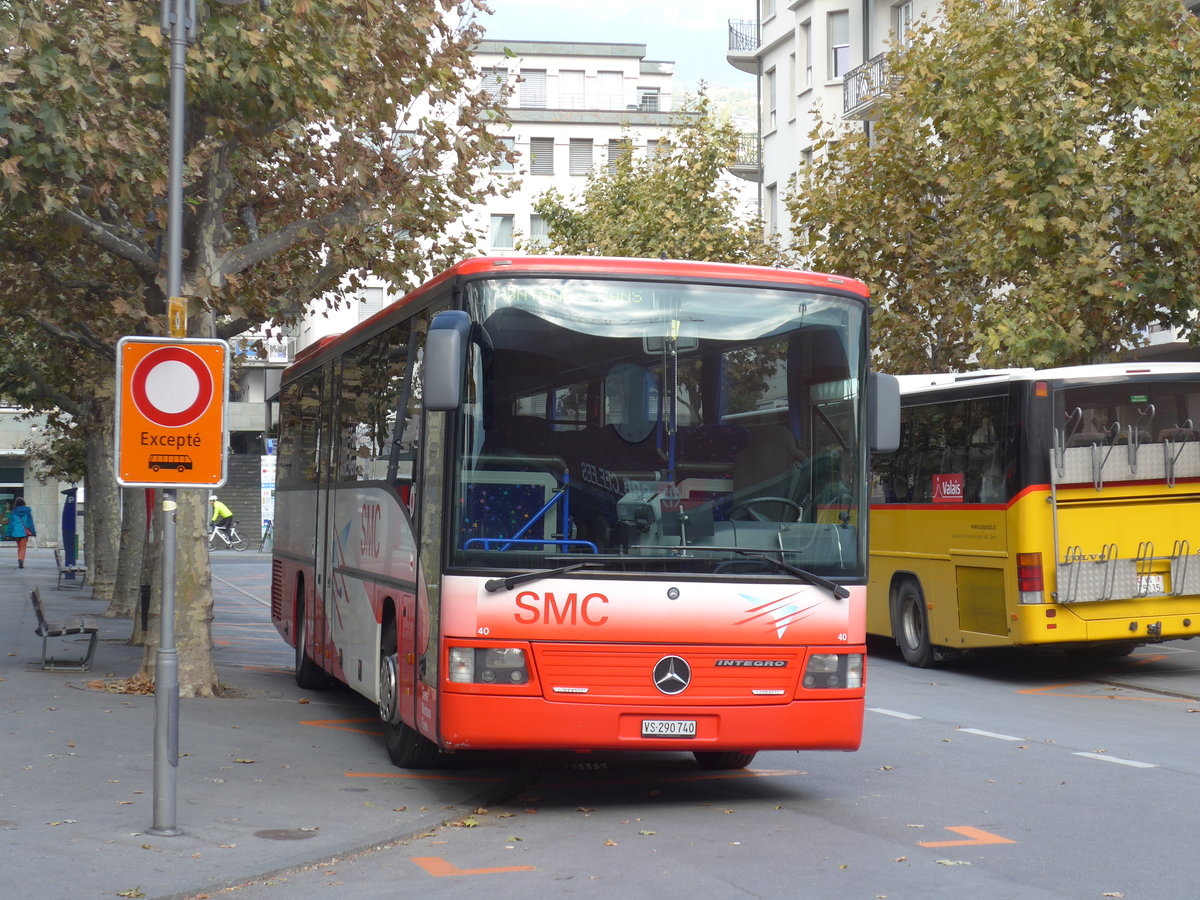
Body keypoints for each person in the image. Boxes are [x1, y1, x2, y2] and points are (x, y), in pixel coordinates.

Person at [6, 496, 37, 569]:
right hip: (25, 532)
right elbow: (30, 523)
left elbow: (11, 523)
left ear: (16, 503)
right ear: (23, 503)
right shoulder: (27, 511)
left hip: (16, 532)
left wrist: (8, 533)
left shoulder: (13, 512)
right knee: (23, 546)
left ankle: (20, 558)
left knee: (19, 546)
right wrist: (33, 532)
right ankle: (21, 559)